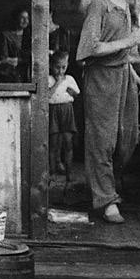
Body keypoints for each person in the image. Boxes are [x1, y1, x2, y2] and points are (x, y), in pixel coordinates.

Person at [76, 0, 140, 224]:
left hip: (123, 76)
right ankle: (106, 200)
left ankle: (105, 188)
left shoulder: (125, 4)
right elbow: (88, 49)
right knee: (102, 141)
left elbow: (118, 45)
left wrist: (131, 71)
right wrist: (129, 41)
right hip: (101, 78)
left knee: (126, 137)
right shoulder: (100, 5)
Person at [49, 50, 80, 182]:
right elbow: (47, 95)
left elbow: (76, 94)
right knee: (53, 143)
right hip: (54, 111)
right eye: (57, 67)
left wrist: (72, 92)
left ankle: (69, 173)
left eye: (64, 67)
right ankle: (52, 172)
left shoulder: (70, 79)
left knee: (68, 142)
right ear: (51, 66)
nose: (61, 71)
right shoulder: (49, 79)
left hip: (67, 111)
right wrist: (57, 83)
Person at [0, 7, 32, 82]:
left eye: (27, 18)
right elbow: (4, 57)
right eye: (22, 18)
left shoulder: (30, 36)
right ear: (16, 18)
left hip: (28, 72)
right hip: (13, 74)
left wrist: (20, 60)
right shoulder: (6, 36)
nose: (26, 21)